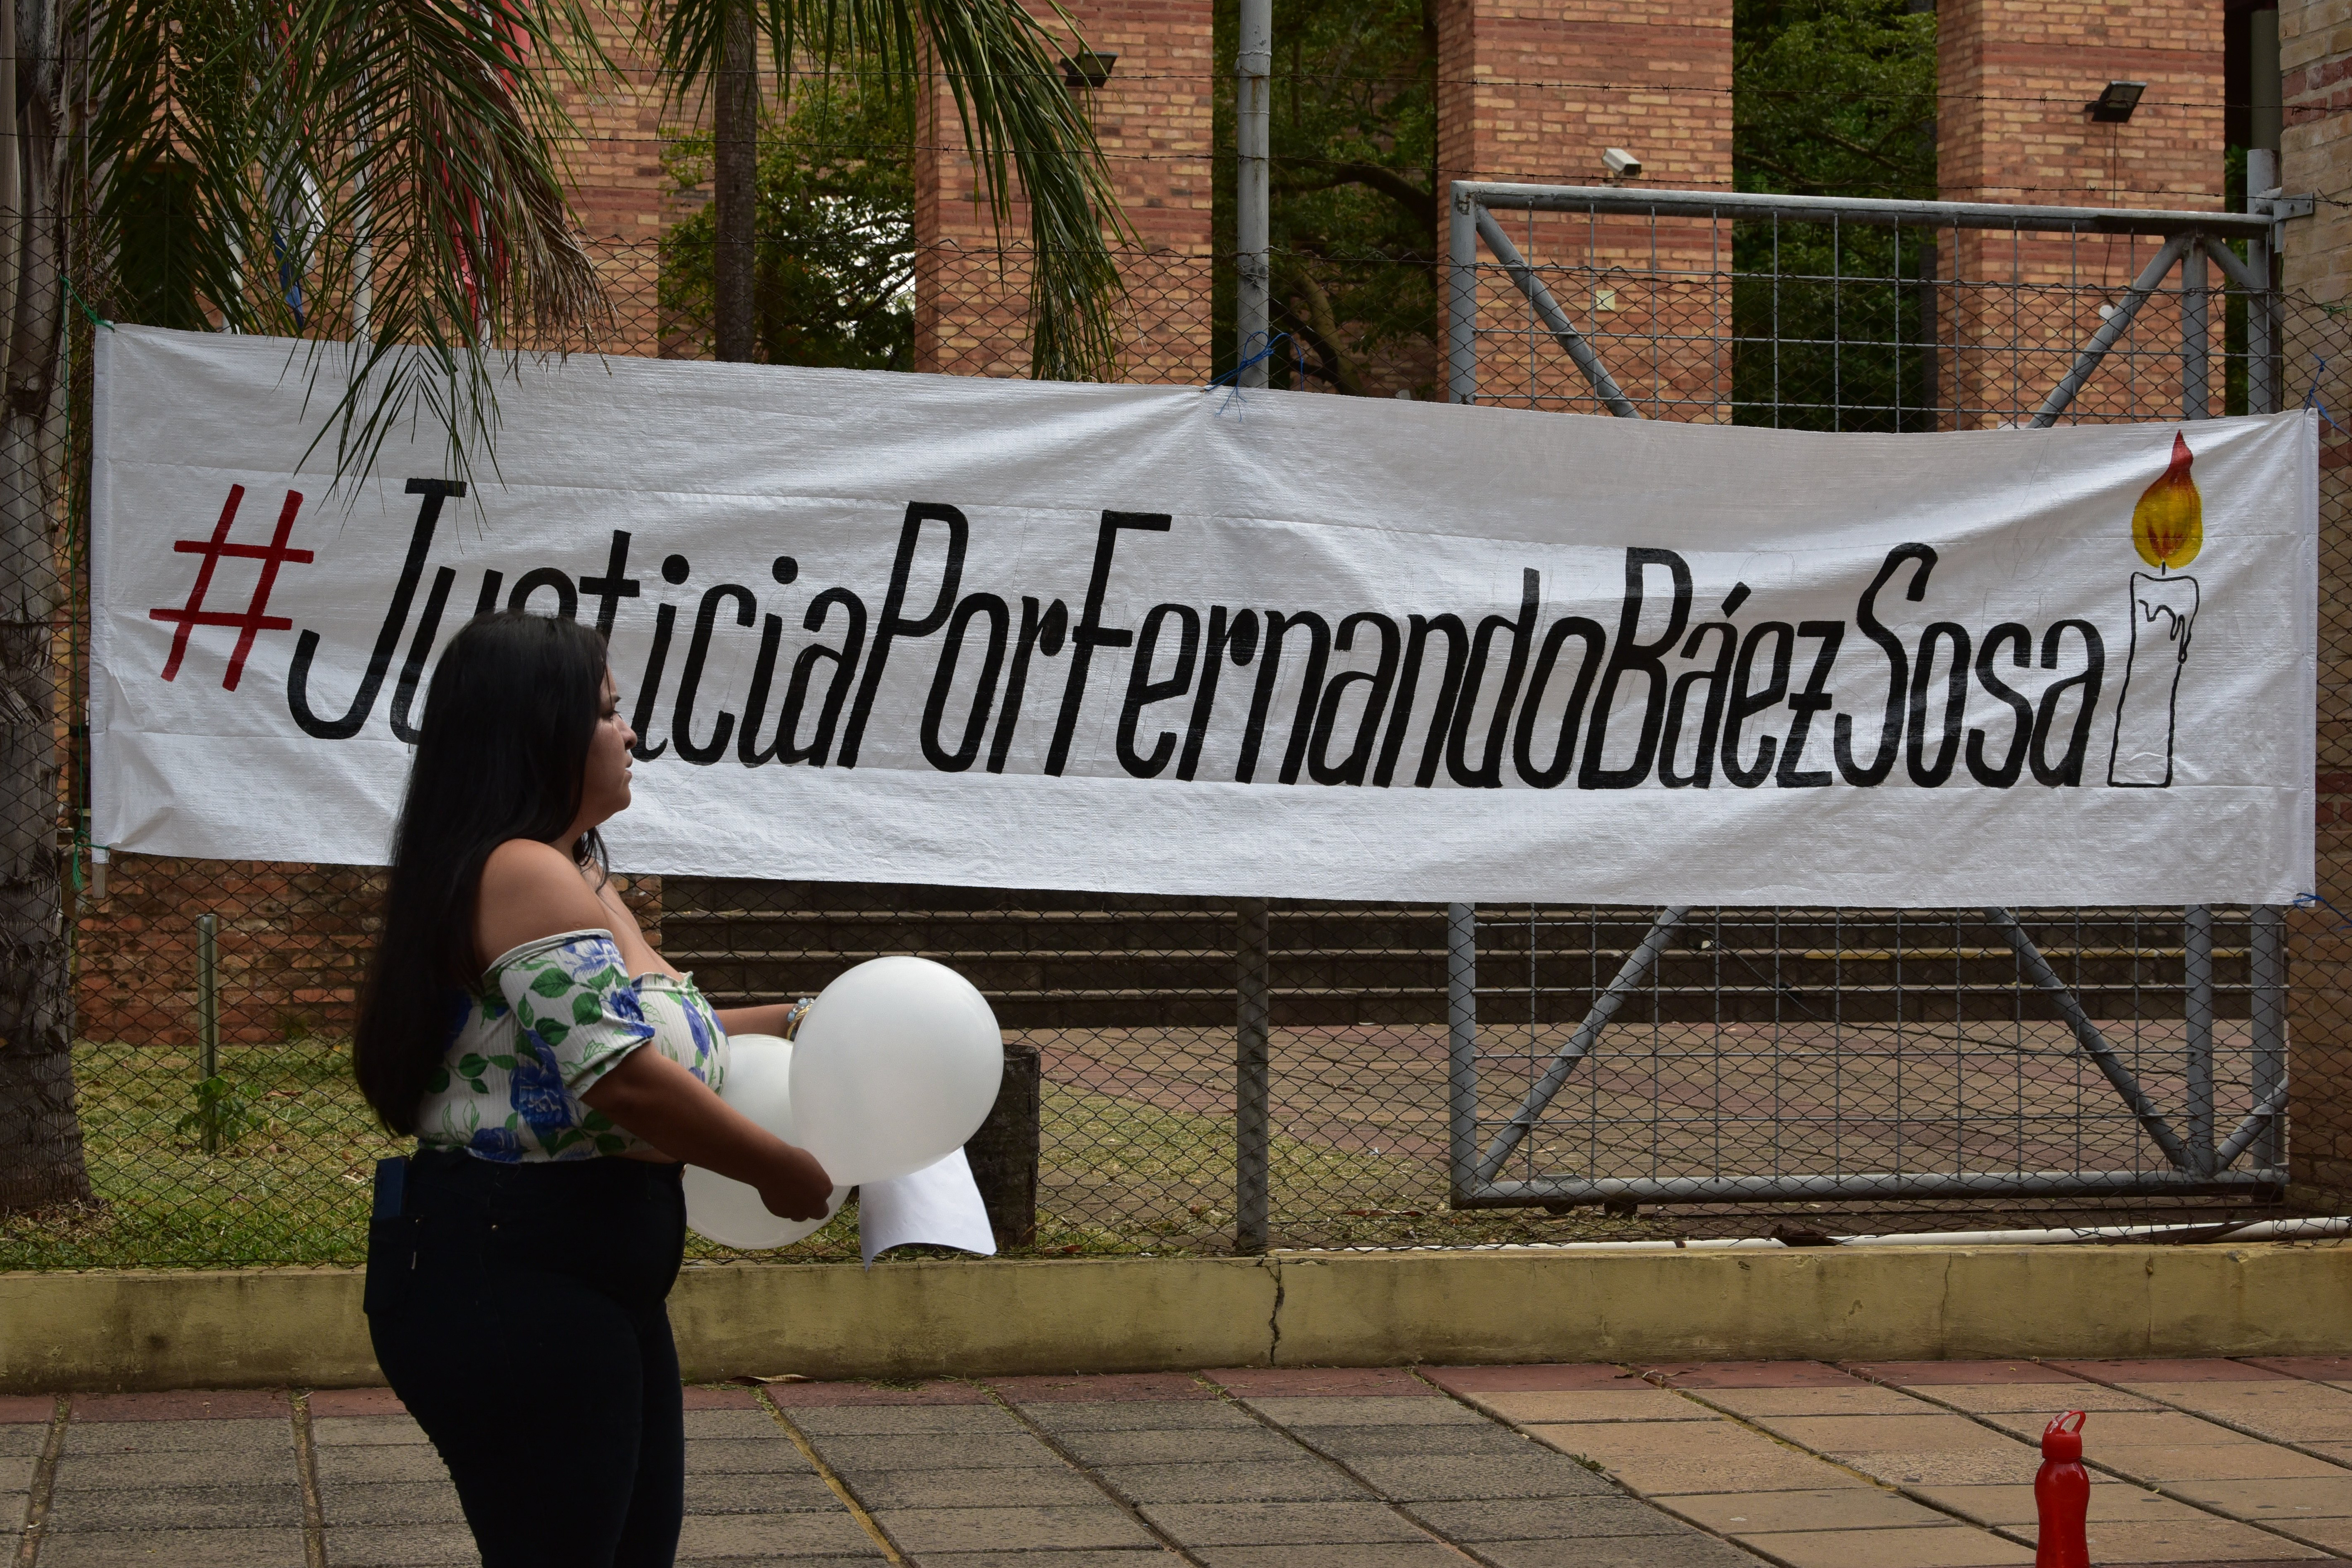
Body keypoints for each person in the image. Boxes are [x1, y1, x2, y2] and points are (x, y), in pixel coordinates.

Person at [353, 610, 833, 1568]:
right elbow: (621, 1079)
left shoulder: (572, 872)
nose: (630, 735)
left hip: (587, 1270)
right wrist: (779, 1167)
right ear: (537, 727)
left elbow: (655, 1037)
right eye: (607, 712)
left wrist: (809, 1020)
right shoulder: (521, 872)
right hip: (516, 1269)